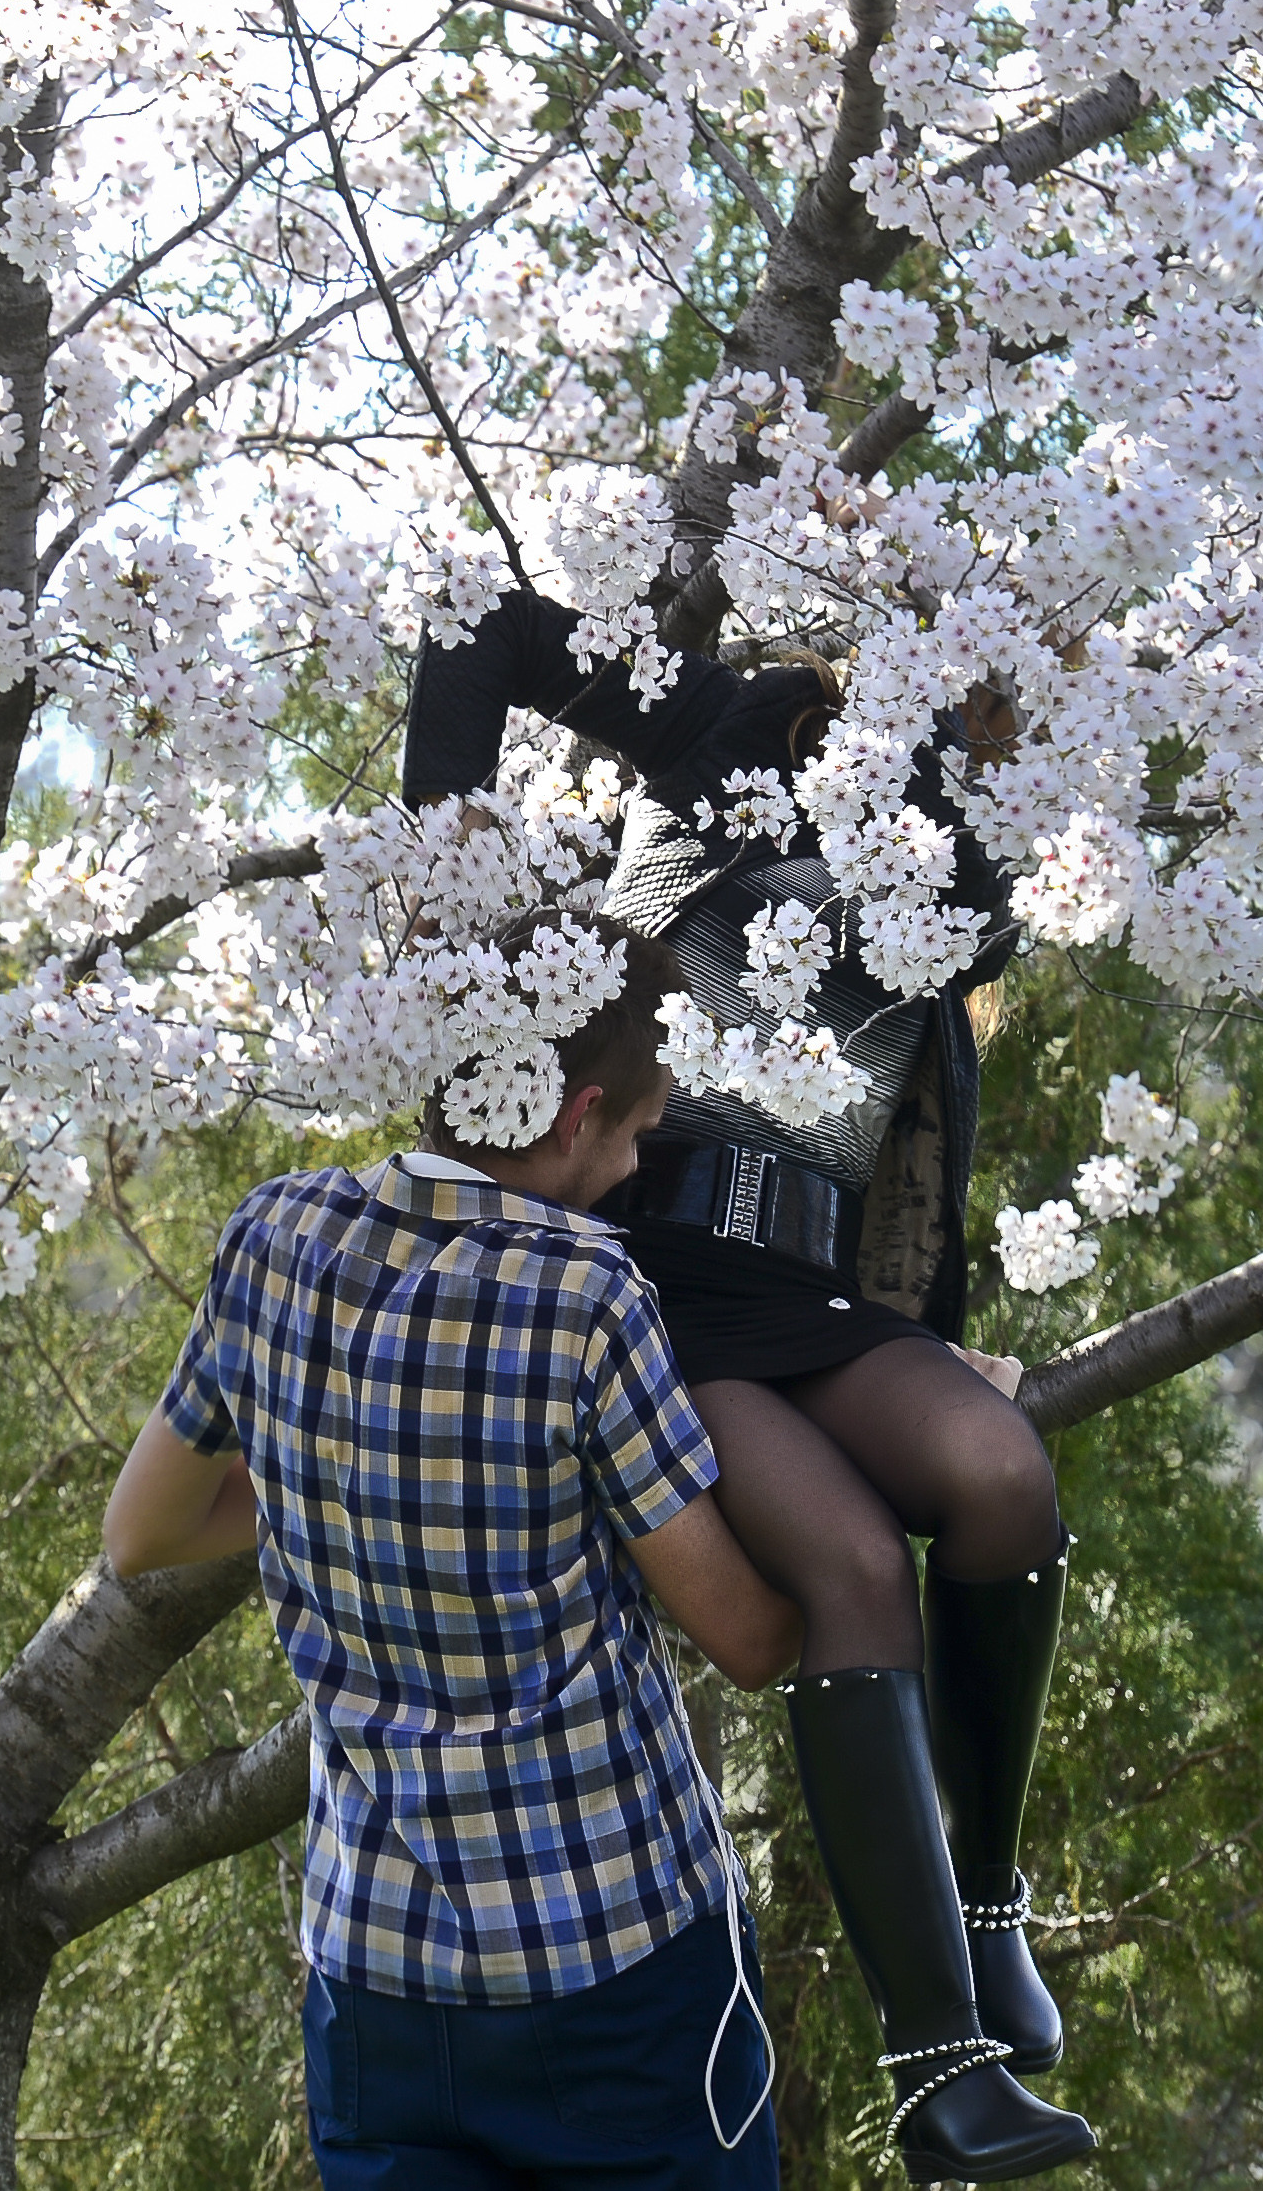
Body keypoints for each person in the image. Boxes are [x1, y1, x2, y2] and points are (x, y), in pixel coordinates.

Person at [400, 589, 1097, 2185]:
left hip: (805, 1288)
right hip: (636, 1272)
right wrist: (438, 890)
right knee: (851, 1568)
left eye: (1060, 706)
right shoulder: (747, 724)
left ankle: (985, 1907)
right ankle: (939, 2075)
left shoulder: (991, 877)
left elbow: (904, 1119)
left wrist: (927, 1317)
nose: (1024, 709)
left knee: (997, 1479)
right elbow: (481, 631)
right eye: (1014, 667)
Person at [101, 911, 797, 2191]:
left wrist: (347, 1469)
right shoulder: (587, 1289)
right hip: (617, 1968)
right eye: (639, 1133)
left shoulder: (274, 1233)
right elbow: (747, 1637)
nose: (636, 1164)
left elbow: (140, 1530)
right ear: (578, 1108)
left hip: (377, 1974)